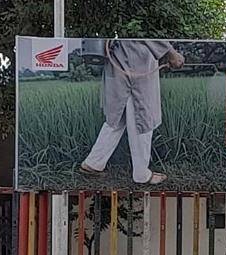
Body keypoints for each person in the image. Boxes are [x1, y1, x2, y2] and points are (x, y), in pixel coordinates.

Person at [79, 39, 185, 186]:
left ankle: (94, 163)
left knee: (119, 114)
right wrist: (170, 52)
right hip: (135, 59)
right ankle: (141, 174)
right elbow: (145, 29)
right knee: (142, 115)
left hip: (121, 57)